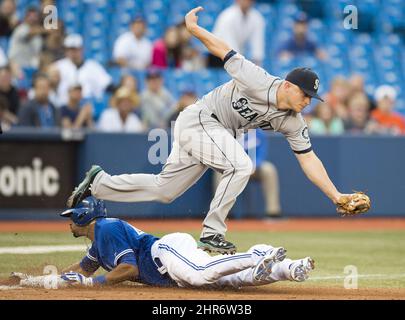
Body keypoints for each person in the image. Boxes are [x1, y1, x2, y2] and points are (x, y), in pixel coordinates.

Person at [67, 7, 368, 255]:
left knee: (165, 190)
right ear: (288, 86)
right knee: (241, 164)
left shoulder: (293, 120)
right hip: (200, 119)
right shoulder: (258, 79)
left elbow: (308, 159)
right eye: (304, 94)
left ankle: (99, 183)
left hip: (214, 132)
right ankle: (213, 231)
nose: (307, 101)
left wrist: (335, 195)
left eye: (310, 98)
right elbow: (223, 49)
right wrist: (194, 30)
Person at [12, 196, 315, 289]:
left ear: (83, 216)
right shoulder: (98, 242)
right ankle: (289, 267)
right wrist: (36, 281)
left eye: (71, 216)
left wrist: (94, 284)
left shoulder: (106, 227)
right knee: (231, 281)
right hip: (170, 274)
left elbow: (128, 269)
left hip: (166, 252)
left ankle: (256, 255)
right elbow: (81, 269)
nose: (68, 221)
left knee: (203, 272)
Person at [213, 129, 281, 217]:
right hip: (232, 169)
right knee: (218, 172)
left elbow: (261, 154)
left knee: (269, 169)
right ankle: (220, 212)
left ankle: (273, 212)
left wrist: (253, 166)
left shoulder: (258, 133)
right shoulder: (229, 131)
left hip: (253, 169)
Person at [53, 33, 112, 107]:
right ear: (66, 50)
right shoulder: (58, 66)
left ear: (82, 49)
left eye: (76, 49)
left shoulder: (93, 66)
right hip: (64, 106)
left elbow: (107, 85)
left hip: (88, 105)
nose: (73, 52)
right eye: (70, 49)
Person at [208, 0, 265, 68]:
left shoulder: (257, 18)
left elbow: (257, 44)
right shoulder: (228, 16)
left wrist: (258, 65)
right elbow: (229, 43)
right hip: (217, 56)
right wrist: (239, 63)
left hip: (235, 56)